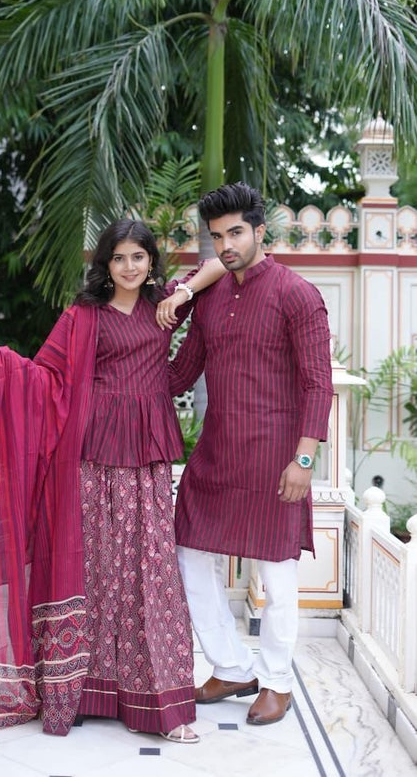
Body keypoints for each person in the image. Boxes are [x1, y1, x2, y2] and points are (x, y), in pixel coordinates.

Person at [0, 218, 226, 743]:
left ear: (150, 263)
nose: (128, 267)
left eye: (138, 258)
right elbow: (45, 376)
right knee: (94, 569)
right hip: (93, 453)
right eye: (118, 258)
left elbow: (214, 265)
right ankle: (82, 689)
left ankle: (159, 703)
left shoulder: (162, 305)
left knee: (149, 573)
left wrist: (183, 291)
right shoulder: (83, 317)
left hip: (147, 455)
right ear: (105, 264)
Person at [164, 181, 333, 725]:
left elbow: (317, 383)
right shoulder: (211, 296)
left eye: (236, 232)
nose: (226, 244)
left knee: (276, 576)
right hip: (215, 454)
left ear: (260, 231)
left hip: (275, 460)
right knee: (191, 554)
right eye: (216, 237)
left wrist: (304, 460)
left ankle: (278, 681)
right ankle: (232, 666)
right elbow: (180, 373)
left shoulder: (297, 295)